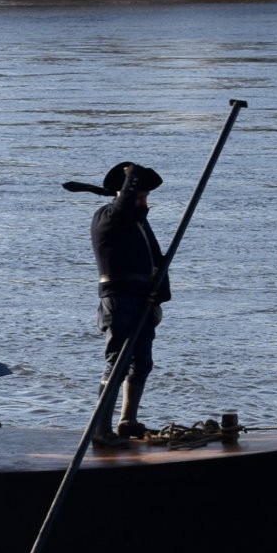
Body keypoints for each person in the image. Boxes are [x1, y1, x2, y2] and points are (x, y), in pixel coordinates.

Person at [87, 161, 169, 443]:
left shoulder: (138, 223)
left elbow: (156, 260)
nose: (145, 202)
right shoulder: (109, 216)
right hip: (119, 301)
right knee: (118, 361)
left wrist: (159, 295)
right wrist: (130, 174)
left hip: (141, 300)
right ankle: (100, 428)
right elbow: (123, 206)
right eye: (140, 196)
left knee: (142, 362)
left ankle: (127, 421)